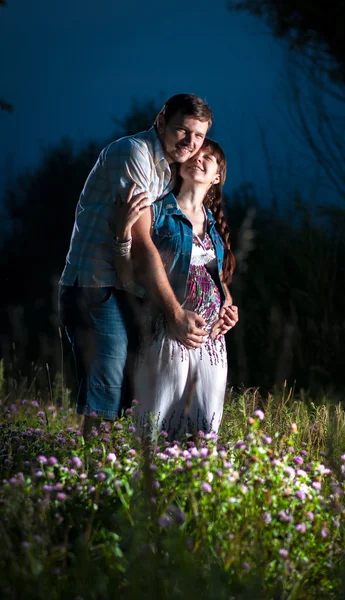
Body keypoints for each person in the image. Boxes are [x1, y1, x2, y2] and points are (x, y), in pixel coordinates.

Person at [58, 94, 216, 437]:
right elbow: (143, 245)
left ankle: (110, 474)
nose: (190, 143)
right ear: (161, 120)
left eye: (199, 136)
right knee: (107, 395)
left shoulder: (167, 168)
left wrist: (225, 301)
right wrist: (175, 314)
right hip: (97, 286)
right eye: (182, 131)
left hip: (126, 286)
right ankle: (87, 479)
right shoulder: (134, 154)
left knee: (132, 392)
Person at [114, 138, 238, 439]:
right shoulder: (157, 211)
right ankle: (148, 484)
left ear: (217, 177)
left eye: (210, 158)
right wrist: (121, 232)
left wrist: (229, 308)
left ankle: (196, 485)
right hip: (166, 331)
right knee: (155, 426)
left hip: (210, 341)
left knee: (205, 431)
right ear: (180, 164)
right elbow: (130, 272)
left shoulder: (212, 225)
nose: (200, 158)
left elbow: (217, 280)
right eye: (196, 153)